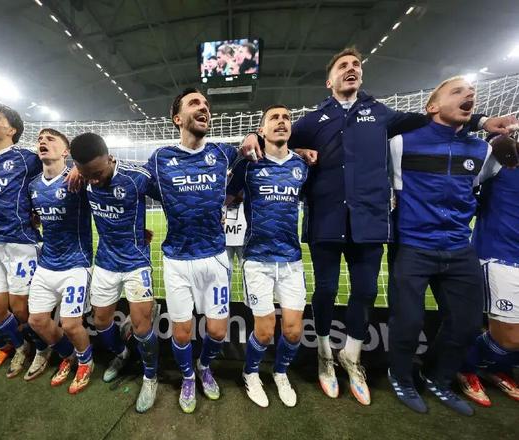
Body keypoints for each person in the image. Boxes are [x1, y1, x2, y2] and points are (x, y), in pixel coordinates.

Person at [239, 46, 516, 406]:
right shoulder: (313, 120)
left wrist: (479, 121)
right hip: (326, 220)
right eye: (343, 65)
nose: (351, 68)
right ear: (330, 81)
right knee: (326, 290)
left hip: (369, 220)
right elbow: (278, 133)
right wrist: (252, 135)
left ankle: (351, 358)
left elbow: (429, 118)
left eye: (356, 64)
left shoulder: (381, 113)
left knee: (366, 291)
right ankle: (324, 356)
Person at [386, 76, 503, 416]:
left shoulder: (483, 151)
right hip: (412, 246)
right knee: (408, 321)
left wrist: (483, 123)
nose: (469, 93)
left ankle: (436, 376)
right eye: (458, 91)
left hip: (458, 247)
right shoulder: (400, 144)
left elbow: (479, 187)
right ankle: (401, 376)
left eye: (471, 92)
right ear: (432, 106)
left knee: (467, 323)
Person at [145, 88, 240, 413]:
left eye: (206, 104)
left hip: (215, 257)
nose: (204, 107)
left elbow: (252, 160)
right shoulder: (160, 158)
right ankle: (187, 376)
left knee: (217, 330)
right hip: (177, 260)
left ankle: (204, 366)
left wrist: (253, 138)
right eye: (195, 103)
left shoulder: (223, 153)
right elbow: (133, 187)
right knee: (183, 333)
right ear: (177, 118)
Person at [227, 105, 309, 408]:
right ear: (261, 130)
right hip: (257, 261)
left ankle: (280, 372)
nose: (281, 121)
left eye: (286, 117)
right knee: (263, 331)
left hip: (291, 261)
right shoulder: (249, 166)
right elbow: (227, 196)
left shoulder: (302, 166)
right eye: (274, 118)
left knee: (294, 330)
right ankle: (250, 373)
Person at [72, 132, 159, 413]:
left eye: (97, 174)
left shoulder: (136, 178)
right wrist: (76, 171)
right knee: (100, 321)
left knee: (142, 326)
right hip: (105, 261)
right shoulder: (81, 177)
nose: (93, 181)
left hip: (136, 261)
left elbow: (171, 198)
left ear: (110, 158)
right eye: (87, 175)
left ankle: (150, 377)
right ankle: (122, 354)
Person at [0, 103, 47, 377]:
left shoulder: (27, 159)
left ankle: (42, 350)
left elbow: (54, 171)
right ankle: (19, 347)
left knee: (21, 309)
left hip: (20, 242)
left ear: (11, 130)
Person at [26, 128, 94, 391]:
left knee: (71, 324)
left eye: (50, 139)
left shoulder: (79, 179)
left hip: (76, 264)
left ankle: (86, 362)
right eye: (40, 140)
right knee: (36, 321)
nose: (43, 142)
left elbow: (104, 171)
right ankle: (68, 355)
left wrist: (80, 168)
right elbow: (35, 218)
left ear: (66, 151)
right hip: (46, 264)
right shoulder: (33, 186)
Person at [457, 143, 519, 406]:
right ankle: (465, 367)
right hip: (501, 255)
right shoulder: (501, 158)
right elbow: (460, 182)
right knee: (511, 338)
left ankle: (495, 368)